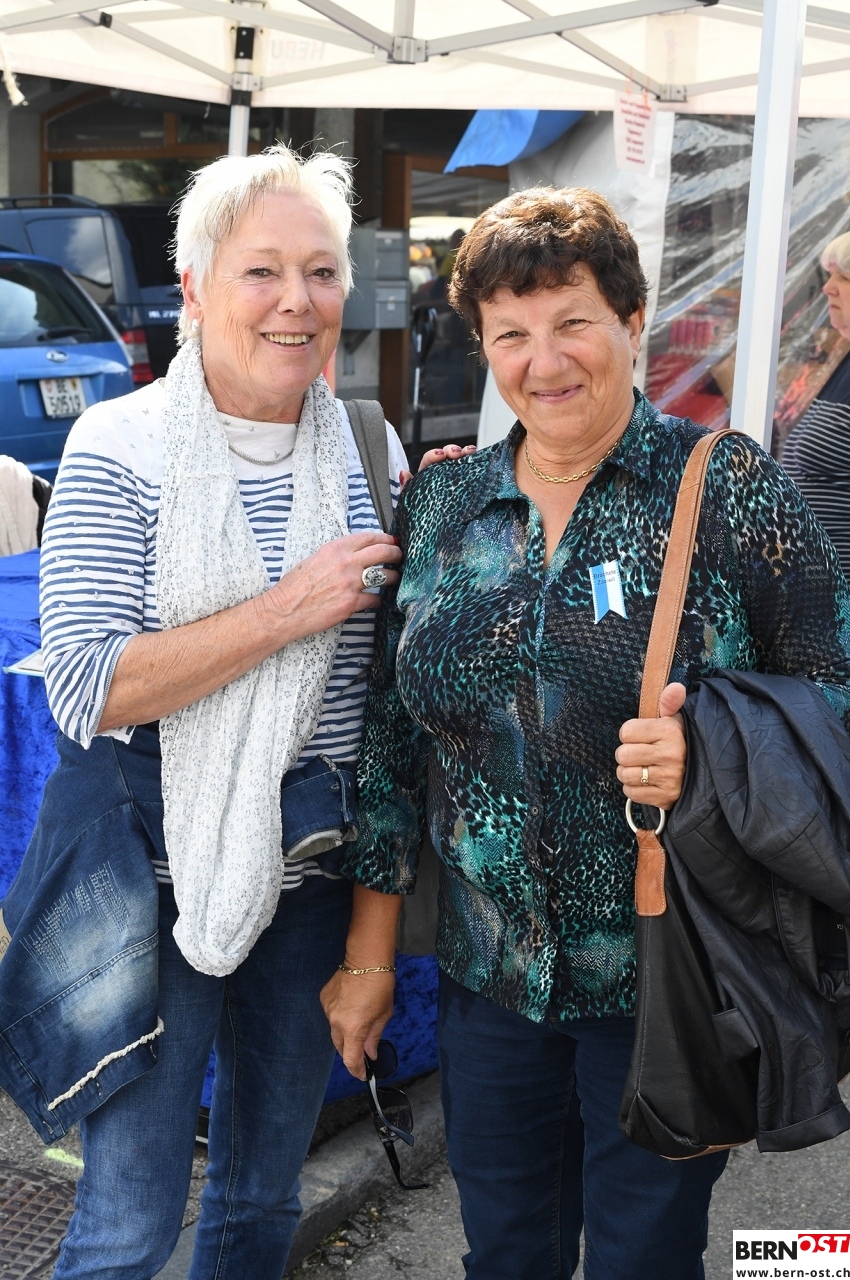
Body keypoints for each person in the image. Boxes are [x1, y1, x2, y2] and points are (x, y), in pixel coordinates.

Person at [322, 187, 850, 1280]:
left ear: (631, 319)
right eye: (509, 333)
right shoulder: (445, 505)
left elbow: (834, 690)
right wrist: (369, 956)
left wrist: (713, 748)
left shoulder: (726, 486)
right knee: (504, 1253)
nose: (543, 360)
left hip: (668, 972)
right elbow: (393, 746)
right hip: (489, 976)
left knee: (641, 1255)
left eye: (572, 321)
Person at [26, 143, 467, 1280]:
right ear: (195, 286)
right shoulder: (117, 443)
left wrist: (457, 525)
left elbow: (387, 670)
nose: (296, 301)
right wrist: (286, 609)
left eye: (320, 272)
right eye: (262, 270)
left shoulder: (366, 444)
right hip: (152, 867)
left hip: (309, 872)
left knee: (263, 1194)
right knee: (127, 1218)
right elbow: (87, 685)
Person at [782, 228, 850, 585]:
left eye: (845, 278)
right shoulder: (845, 361)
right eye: (829, 275)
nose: (828, 288)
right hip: (816, 594)